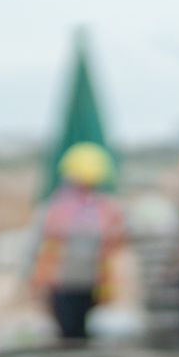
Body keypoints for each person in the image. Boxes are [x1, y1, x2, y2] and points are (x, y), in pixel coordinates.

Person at [30, 142, 127, 341]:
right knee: (69, 333)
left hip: (89, 283)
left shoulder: (103, 208)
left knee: (79, 333)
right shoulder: (59, 208)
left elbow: (116, 242)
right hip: (64, 283)